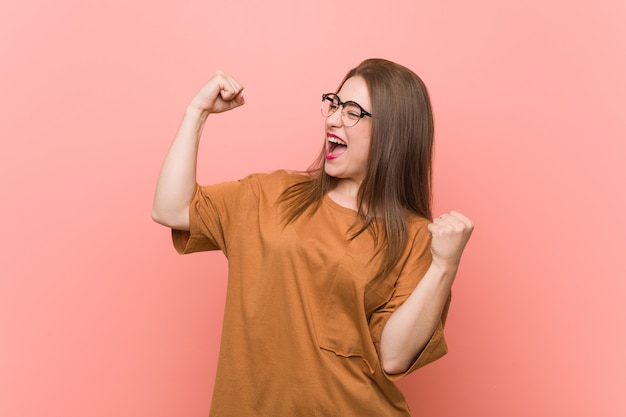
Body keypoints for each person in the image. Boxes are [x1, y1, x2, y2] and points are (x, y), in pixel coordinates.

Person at [152, 58, 473, 416]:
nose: (333, 118)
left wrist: (445, 265)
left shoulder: (413, 238)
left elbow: (394, 358)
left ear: (393, 133)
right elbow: (171, 209)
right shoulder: (271, 194)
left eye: (352, 112)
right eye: (334, 104)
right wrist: (197, 112)